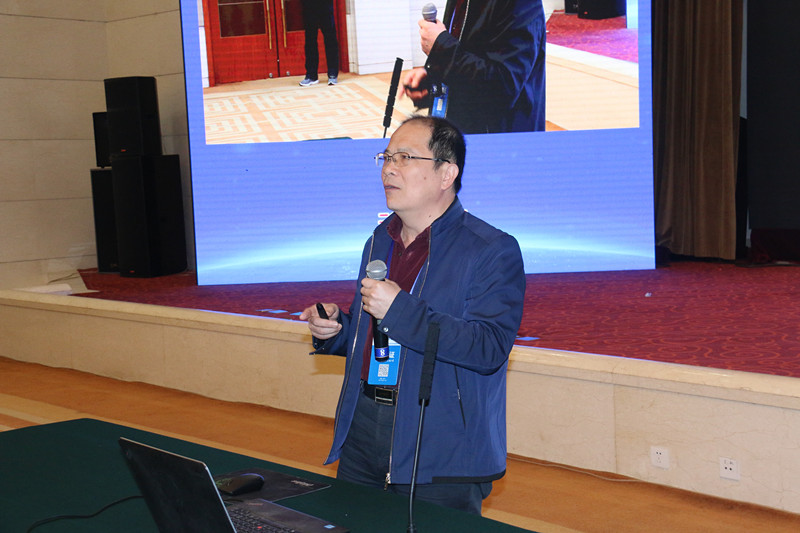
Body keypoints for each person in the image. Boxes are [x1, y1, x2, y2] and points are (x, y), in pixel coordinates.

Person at [300, 116, 525, 515]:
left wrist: (400, 309)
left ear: (446, 174)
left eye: (405, 157)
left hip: (440, 442)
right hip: (363, 428)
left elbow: (488, 348)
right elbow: (380, 334)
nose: (389, 168)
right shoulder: (379, 240)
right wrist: (337, 330)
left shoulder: (490, 249)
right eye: (386, 157)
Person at [400, 0, 546, 134]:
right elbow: (467, 54)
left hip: (501, 142)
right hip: (460, 136)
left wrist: (441, 48)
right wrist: (433, 79)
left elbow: (502, 87)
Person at [299, 0, 339, 87]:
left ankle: (332, 73)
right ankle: (311, 75)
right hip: (309, 4)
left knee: (330, 37)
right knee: (310, 38)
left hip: (325, 4)